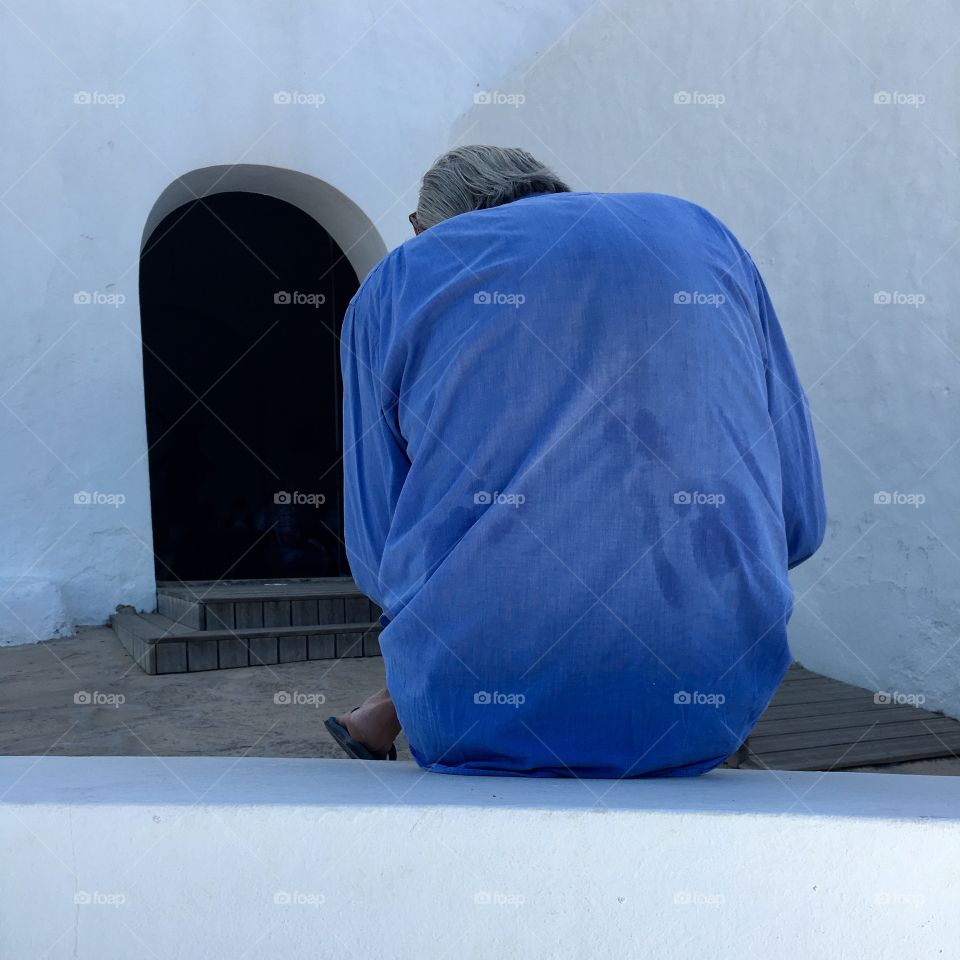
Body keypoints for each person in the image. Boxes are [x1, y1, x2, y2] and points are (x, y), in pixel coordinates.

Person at [324, 145, 826, 777]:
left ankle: (384, 711)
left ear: (424, 229)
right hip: (711, 681)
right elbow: (800, 514)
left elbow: (376, 552)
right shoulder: (700, 232)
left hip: (475, 694)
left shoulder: (398, 282)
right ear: (552, 189)